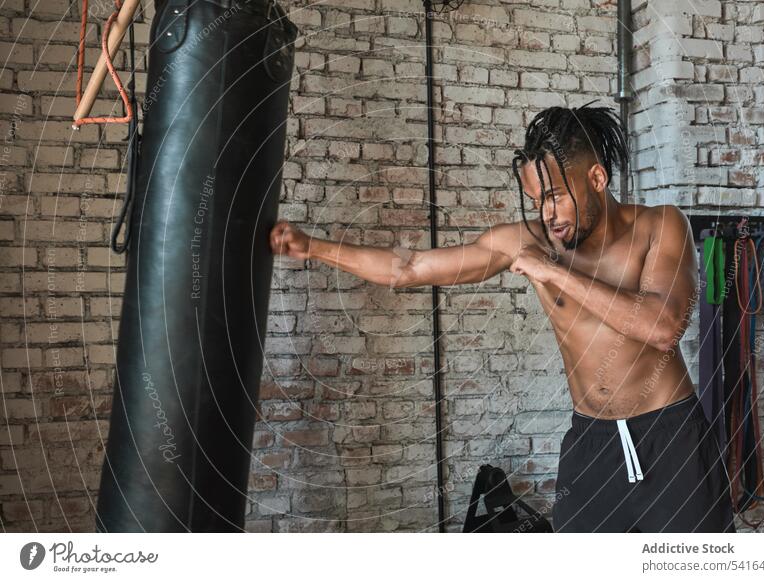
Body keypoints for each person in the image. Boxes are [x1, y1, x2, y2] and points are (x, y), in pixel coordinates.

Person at [269, 103, 736, 533]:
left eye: (555, 195)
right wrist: (312, 247)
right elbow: (407, 269)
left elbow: (662, 326)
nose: (547, 214)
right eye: (536, 200)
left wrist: (552, 270)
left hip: (671, 438)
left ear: (596, 177)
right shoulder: (526, 240)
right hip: (591, 445)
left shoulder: (660, 226)